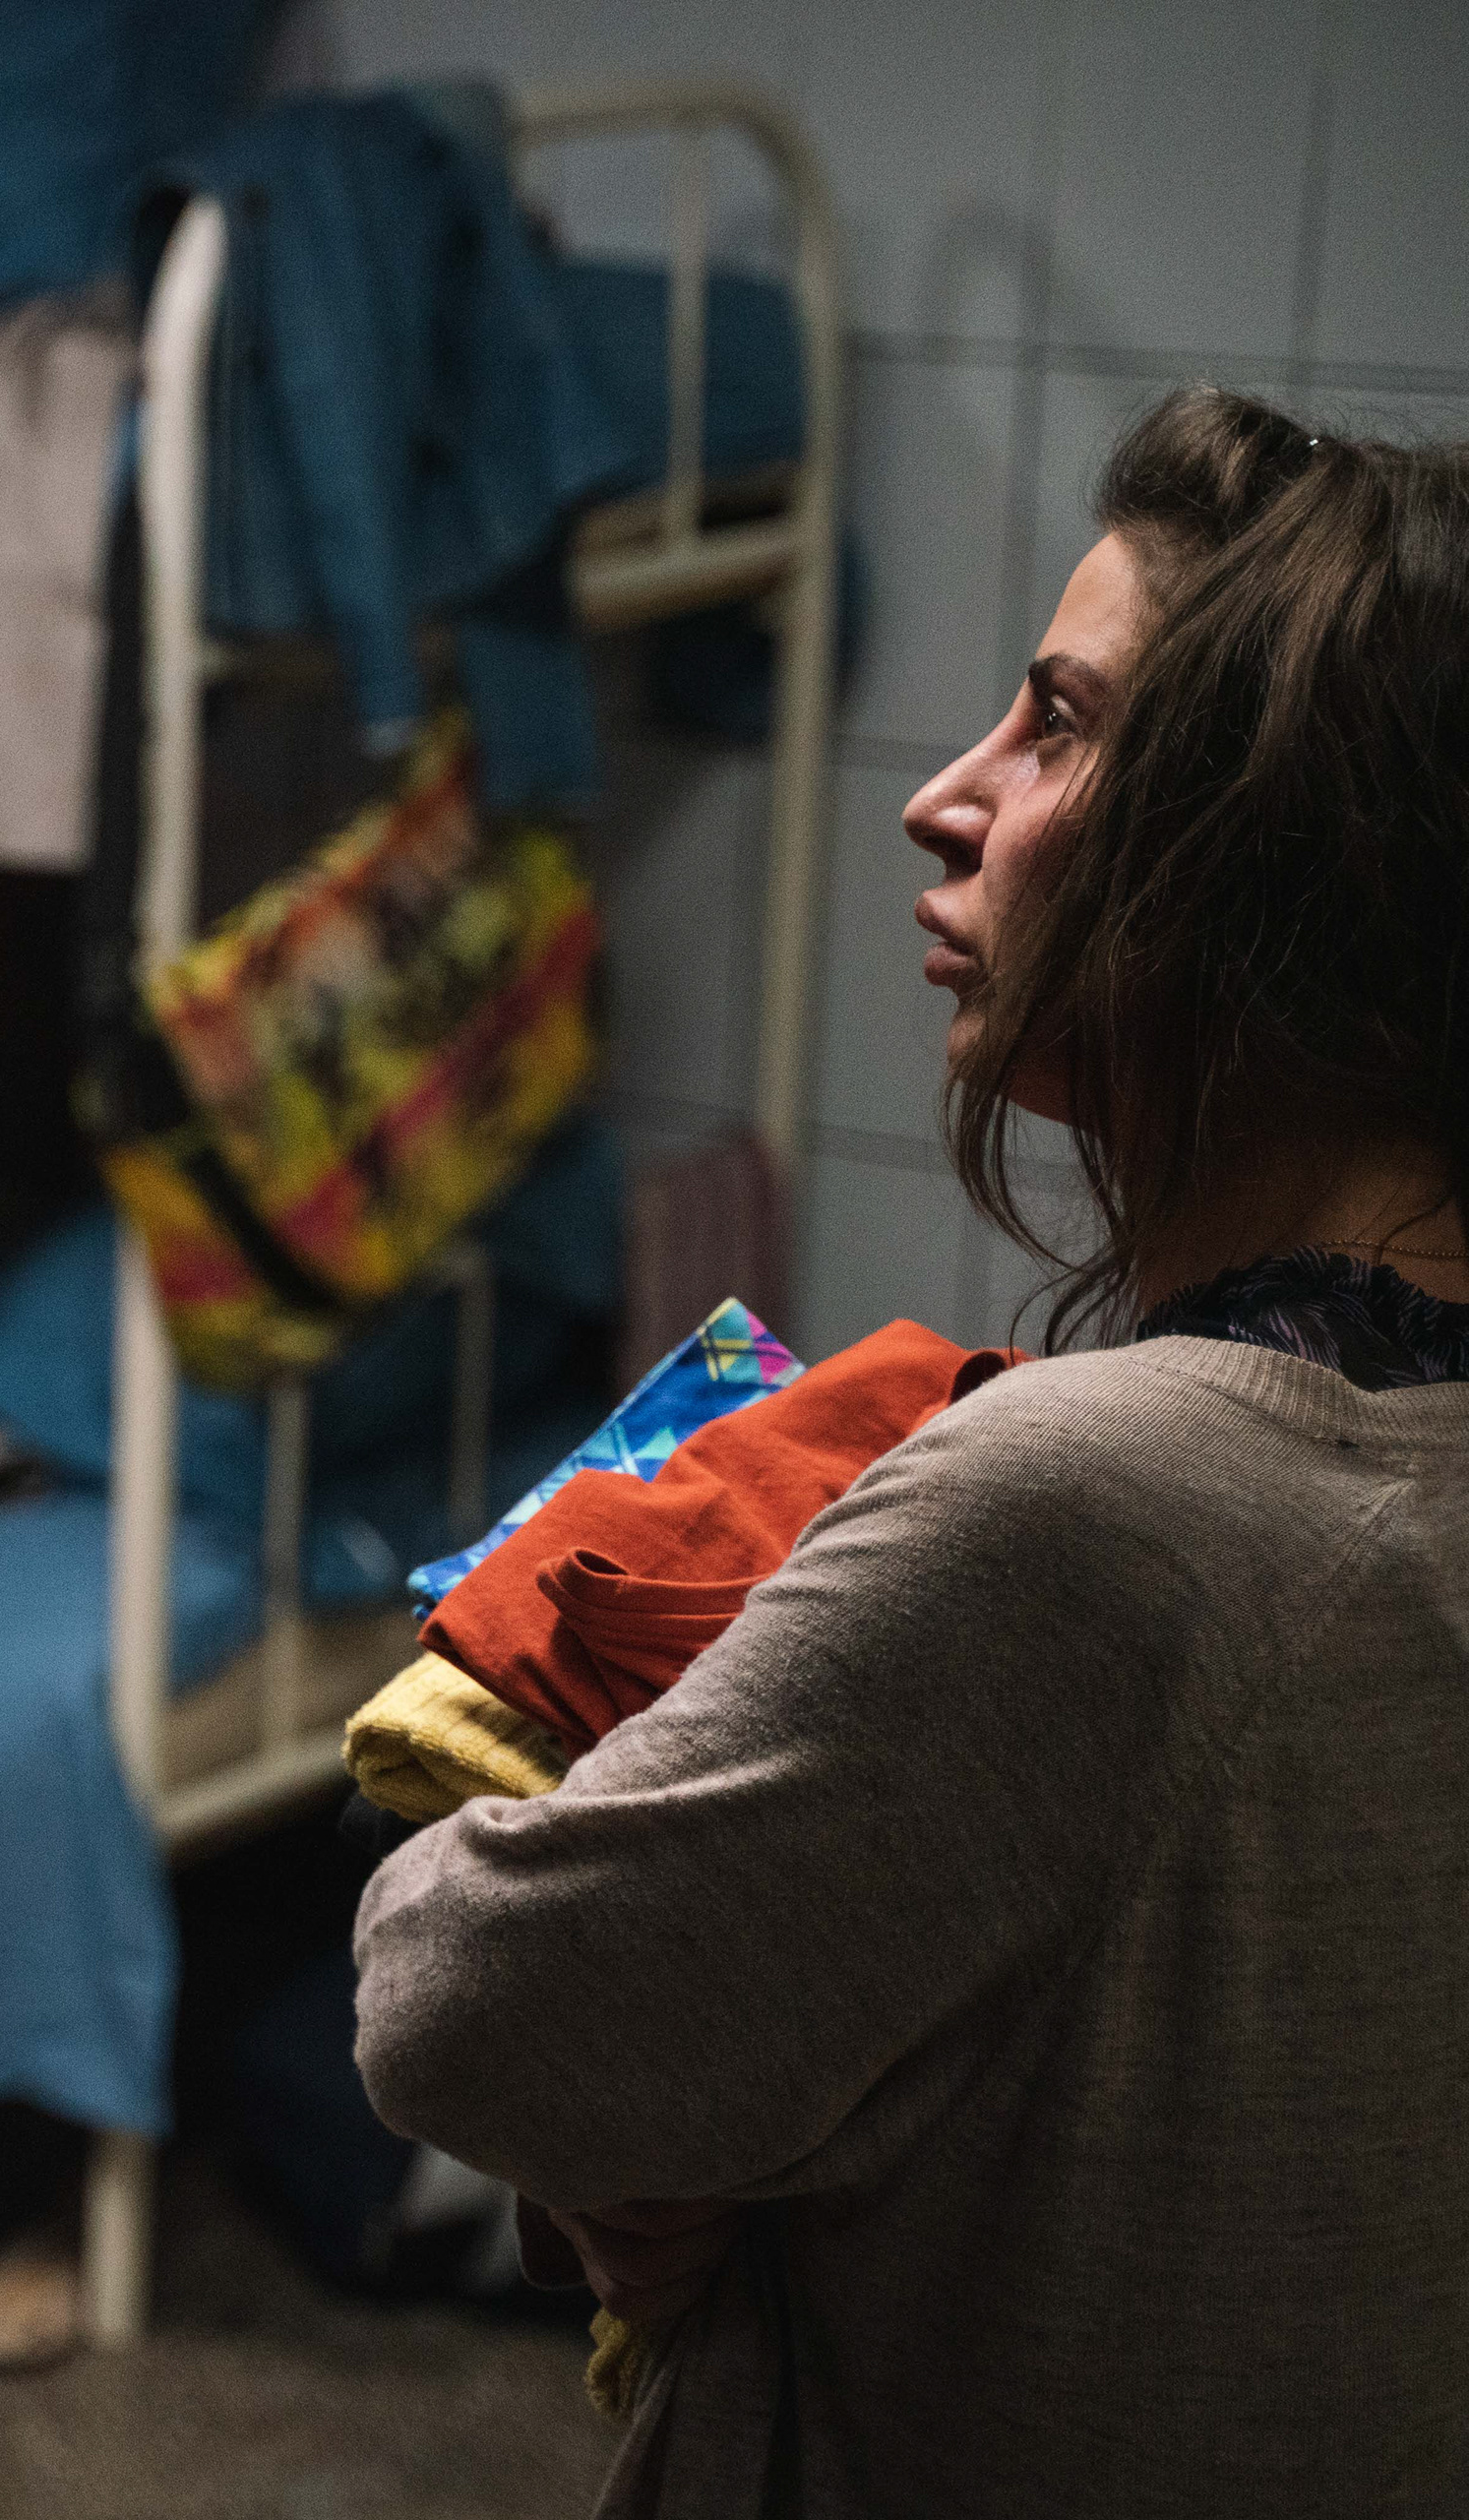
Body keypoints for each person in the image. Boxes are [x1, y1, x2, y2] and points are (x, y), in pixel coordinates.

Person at [351, 387, 1469, 2514]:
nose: (942, 798)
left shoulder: (1093, 1515)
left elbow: (458, 2002)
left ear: (1278, 858)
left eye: (1061, 724)